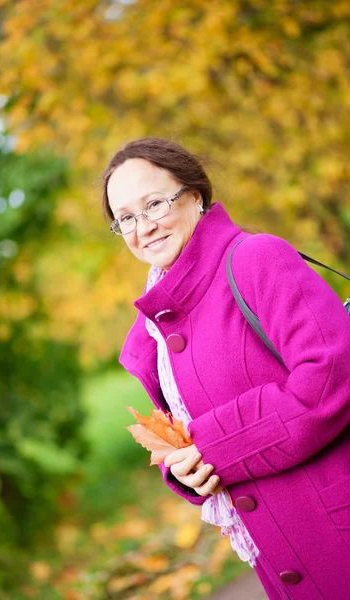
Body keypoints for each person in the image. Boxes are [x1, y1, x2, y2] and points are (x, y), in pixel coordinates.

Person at [102, 137, 350, 600]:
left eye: (154, 204)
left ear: (195, 195)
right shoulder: (153, 330)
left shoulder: (257, 258)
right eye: (127, 218)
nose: (144, 227)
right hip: (277, 557)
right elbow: (185, 431)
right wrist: (183, 471)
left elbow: (332, 375)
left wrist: (214, 446)